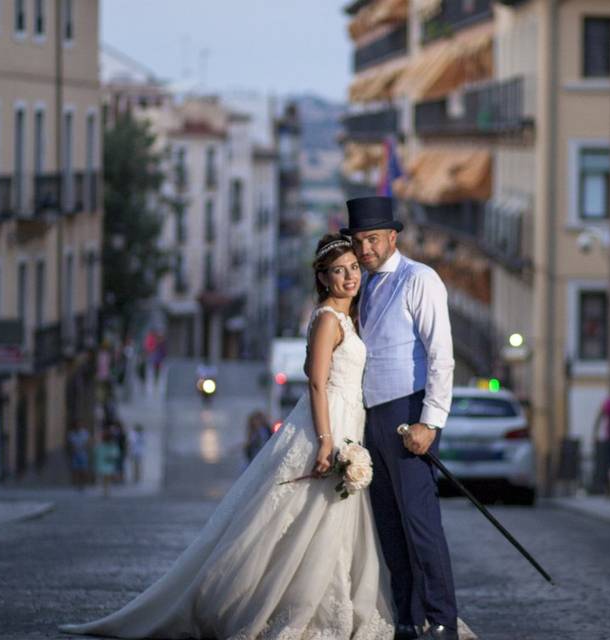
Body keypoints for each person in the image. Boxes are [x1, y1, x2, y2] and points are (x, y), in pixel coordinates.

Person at [60, 234, 394, 638]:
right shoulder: (327, 318)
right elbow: (317, 383)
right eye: (339, 271)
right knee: (302, 517)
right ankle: (277, 604)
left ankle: (325, 596)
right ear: (323, 278)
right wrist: (326, 440)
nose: (349, 277)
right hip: (330, 422)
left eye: (354, 268)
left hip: (346, 420)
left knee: (322, 518)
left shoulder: (345, 317)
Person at [345, 196, 459, 640]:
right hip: (372, 420)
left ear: (393, 236)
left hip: (408, 413)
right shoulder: (366, 285)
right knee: (390, 525)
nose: (365, 249)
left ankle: (442, 618)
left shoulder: (420, 279)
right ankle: (408, 620)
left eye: (372, 239)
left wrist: (429, 422)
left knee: (420, 524)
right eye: (358, 241)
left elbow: (441, 357)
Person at [93, 427, 120, 498]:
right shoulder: (104, 445)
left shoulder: (108, 445)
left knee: (106, 477)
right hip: (106, 463)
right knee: (106, 477)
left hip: (106, 463)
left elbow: (96, 452)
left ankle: (106, 490)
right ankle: (106, 490)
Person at [67, 421, 91, 491]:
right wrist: (72, 449)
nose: (78, 426)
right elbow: (70, 444)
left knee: (83, 469)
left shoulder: (84, 433)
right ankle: (77, 484)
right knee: (75, 469)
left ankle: (82, 484)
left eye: (79, 425)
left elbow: (88, 442)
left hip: (83, 453)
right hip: (75, 453)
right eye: (77, 425)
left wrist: (85, 447)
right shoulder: (71, 434)